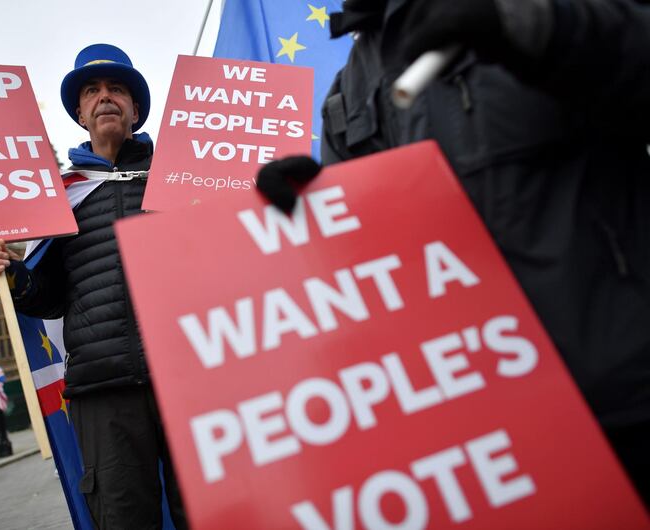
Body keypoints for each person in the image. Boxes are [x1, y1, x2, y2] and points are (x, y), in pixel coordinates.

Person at [257, 0, 650, 506]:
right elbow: (366, 268)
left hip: (620, 399)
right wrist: (310, 205)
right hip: (486, 436)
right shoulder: (349, 85)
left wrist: (536, 27)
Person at [0, 43, 188, 529]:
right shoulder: (59, 196)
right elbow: (48, 296)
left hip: (188, 378)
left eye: (117, 89)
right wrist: (9, 273)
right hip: (101, 387)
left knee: (211, 512)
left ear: (136, 107)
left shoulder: (182, 178)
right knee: (122, 517)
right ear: (80, 113)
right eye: (92, 91)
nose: (105, 98)